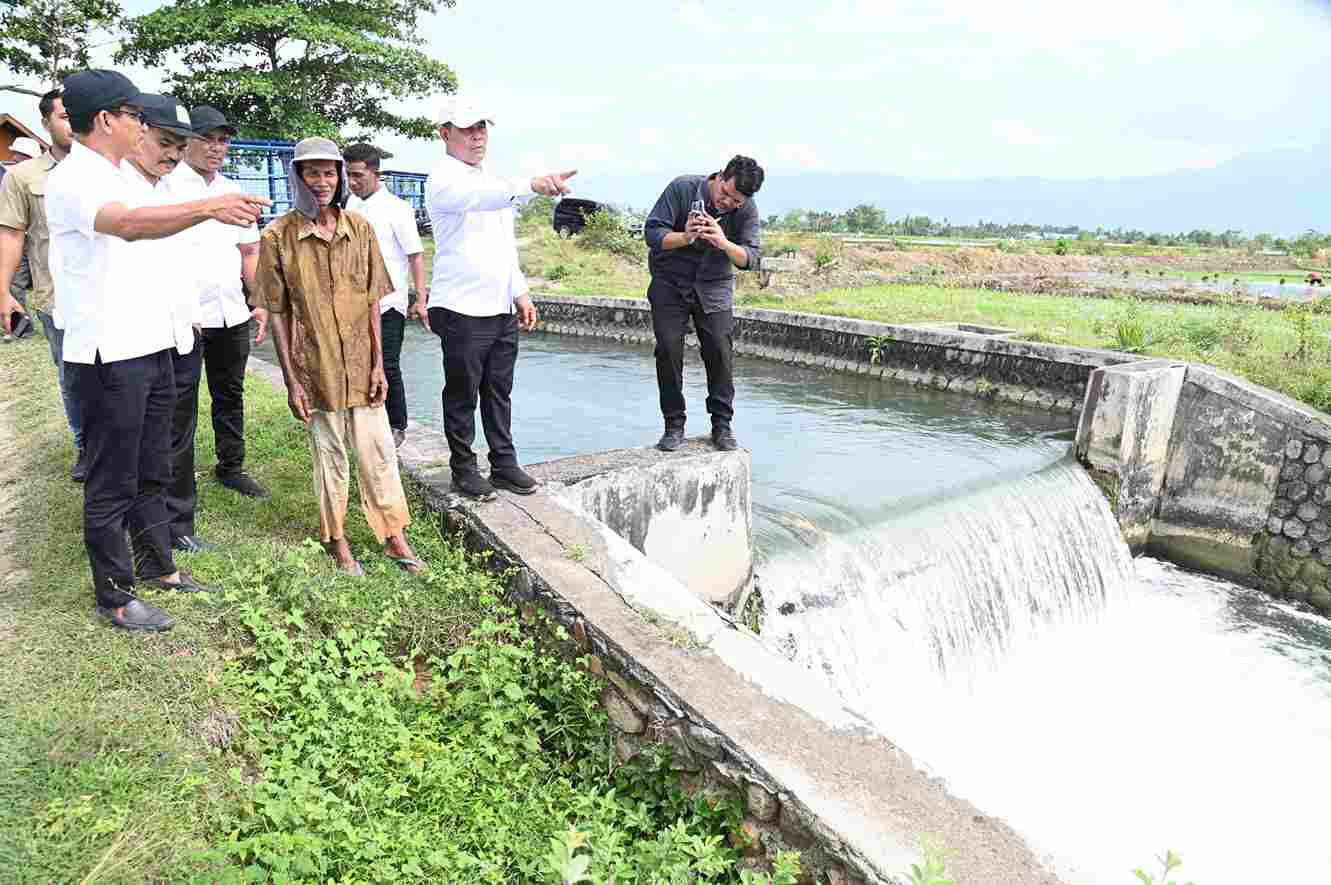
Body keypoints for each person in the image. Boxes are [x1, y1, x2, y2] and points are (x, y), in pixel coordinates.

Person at [45, 69, 268, 632]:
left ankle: (159, 566)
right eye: (135, 117)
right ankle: (115, 596)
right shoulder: (77, 179)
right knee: (111, 479)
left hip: (154, 344)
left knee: (154, 467)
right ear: (108, 120)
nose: (142, 127)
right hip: (110, 352)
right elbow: (125, 227)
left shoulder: (125, 175)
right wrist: (207, 209)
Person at [255, 137, 422, 577]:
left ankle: (392, 535)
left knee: (378, 451)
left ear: (341, 176)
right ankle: (338, 540)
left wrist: (377, 363)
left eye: (330, 172)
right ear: (298, 178)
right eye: (312, 173)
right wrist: (292, 380)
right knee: (330, 455)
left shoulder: (360, 228)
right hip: (317, 367)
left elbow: (372, 301)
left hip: (362, 364)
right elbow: (277, 314)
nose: (322, 182)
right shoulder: (278, 236)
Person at [422, 96, 575, 498]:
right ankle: (463, 468)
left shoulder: (492, 178)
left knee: (498, 389)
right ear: (445, 134)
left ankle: (504, 463)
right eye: (468, 129)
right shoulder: (443, 178)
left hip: (499, 305)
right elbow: (479, 199)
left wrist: (520, 291)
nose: (477, 136)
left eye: (482, 128)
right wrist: (531, 185)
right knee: (462, 392)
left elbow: (503, 244)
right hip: (460, 306)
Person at [122, 94, 216, 555]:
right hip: (132, 339)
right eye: (165, 142)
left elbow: (185, 258)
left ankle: (177, 522)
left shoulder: (178, 187)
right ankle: (137, 531)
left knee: (178, 433)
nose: (172, 154)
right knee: (134, 439)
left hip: (181, 331)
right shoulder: (115, 186)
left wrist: (193, 315)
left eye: (180, 146)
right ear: (136, 130)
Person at [167, 105, 269, 499]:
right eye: (207, 138)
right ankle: (179, 475)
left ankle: (232, 466)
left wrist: (258, 300)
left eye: (223, 140)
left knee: (230, 392)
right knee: (180, 399)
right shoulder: (167, 189)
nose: (216, 147)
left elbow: (249, 252)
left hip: (230, 310)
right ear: (186, 140)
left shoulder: (232, 192)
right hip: (185, 315)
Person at [643, 155, 764, 452]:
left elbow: (751, 259)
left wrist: (723, 242)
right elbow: (653, 233)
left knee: (720, 351)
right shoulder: (682, 188)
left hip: (714, 286)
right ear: (720, 176)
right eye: (725, 194)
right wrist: (686, 236)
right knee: (668, 349)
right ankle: (674, 425)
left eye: (735, 201)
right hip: (669, 282)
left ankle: (721, 426)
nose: (727, 203)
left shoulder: (746, 208)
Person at [0, 89, 85, 476]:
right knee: (73, 378)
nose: (74, 122)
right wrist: (3, 292)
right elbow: (12, 235)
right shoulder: (23, 177)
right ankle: (86, 446)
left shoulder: (117, 170)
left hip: (113, 293)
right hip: (58, 298)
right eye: (65, 116)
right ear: (46, 123)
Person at [344, 142, 426, 449]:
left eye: (358, 175)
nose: (352, 182)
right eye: (348, 175)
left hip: (390, 301)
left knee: (388, 362)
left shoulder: (398, 209)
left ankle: (397, 424)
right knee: (358, 361)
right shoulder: (350, 205)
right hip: (355, 300)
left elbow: (415, 255)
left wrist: (420, 299)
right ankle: (366, 417)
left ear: (375, 173)